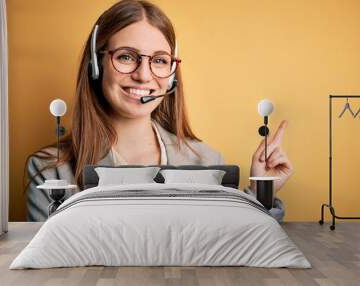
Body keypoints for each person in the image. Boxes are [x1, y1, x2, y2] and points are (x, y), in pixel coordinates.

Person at [25, 0, 293, 222]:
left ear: (172, 74)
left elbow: (231, 242)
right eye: (126, 56)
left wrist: (261, 191)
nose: (144, 76)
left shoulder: (207, 160)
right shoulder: (50, 171)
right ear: (96, 65)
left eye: (160, 61)